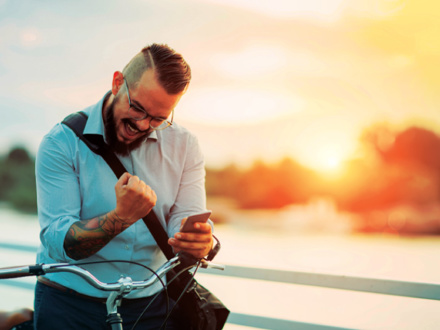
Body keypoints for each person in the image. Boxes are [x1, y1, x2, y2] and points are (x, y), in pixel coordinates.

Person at [34, 43, 214, 329]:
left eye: (158, 118)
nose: (143, 125)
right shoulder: (61, 142)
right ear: (118, 83)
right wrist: (121, 217)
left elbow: (184, 219)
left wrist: (197, 242)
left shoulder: (185, 145)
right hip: (69, 303)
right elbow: (59, 245)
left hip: (152, 304)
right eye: (137, 108)